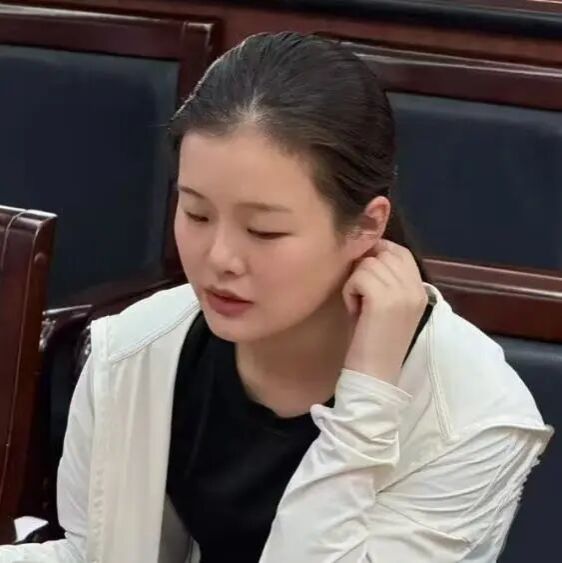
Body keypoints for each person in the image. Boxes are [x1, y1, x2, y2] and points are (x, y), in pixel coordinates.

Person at [0, 32, 552, 563]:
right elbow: (91, 553)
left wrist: (367, 400)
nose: (220, 258)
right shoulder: (133, 352)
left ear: (366, 225)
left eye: (264, 231)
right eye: (196, 213)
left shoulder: (472, 417)